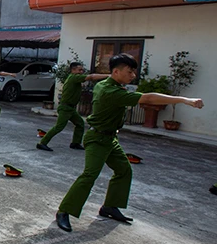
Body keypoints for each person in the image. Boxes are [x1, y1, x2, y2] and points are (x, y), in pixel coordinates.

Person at [55, 53, 204, 232]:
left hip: (110, 138)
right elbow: (148, 98)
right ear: (116, 72)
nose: (133, 75)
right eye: (129, 71)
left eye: (134, 72)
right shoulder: (111, 92)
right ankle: (64, 211)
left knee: (124, 171)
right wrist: (184, 100)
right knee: (89, 175)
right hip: (98, 139)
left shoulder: (105, 85)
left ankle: (110, 206)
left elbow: (99, 80)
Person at [37, 63, 109, 151]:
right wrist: (109, 76)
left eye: (82, 70)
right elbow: (92, 77)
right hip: (65, 108)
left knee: (80, 124)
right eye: (79, 70)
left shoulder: (75, 79)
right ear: (73, 70)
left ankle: (75, 143)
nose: (81, 72)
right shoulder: (73, 77)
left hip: (70, 108)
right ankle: (42, 143)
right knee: (59, 127)